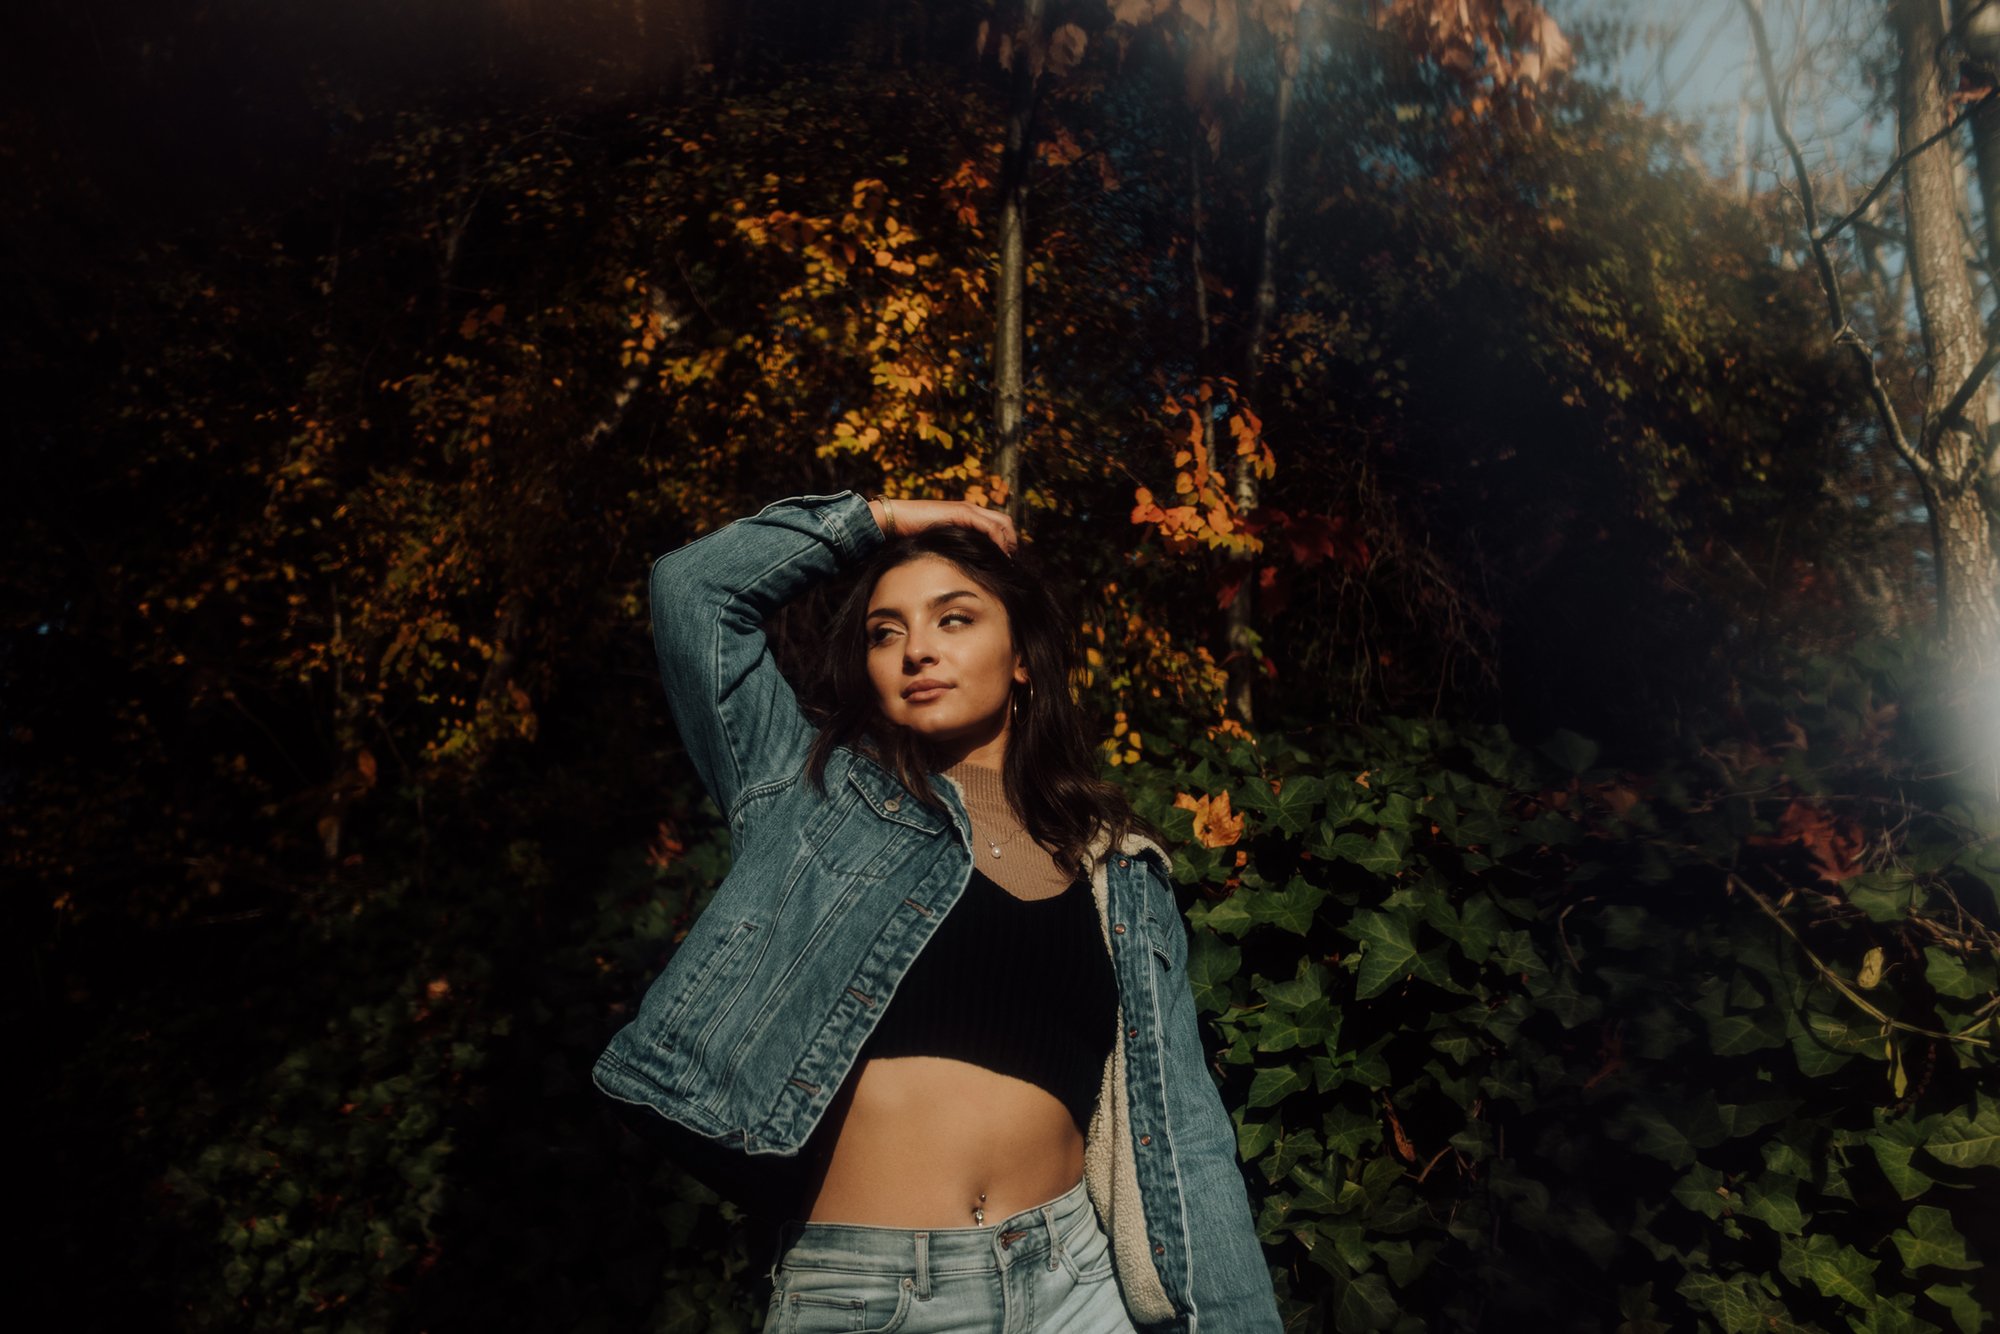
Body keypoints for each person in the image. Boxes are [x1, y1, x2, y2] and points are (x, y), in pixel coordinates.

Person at [594, 491, 1282, 1333]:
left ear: (1022, 656)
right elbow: (692, 590)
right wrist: (883, 520)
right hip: (868, 1292)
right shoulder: (811, 793)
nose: (917, 649)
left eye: (954, 619)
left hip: (1078, 1283)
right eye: (887, 632)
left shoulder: (1120, 867)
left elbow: (1185, 1134)